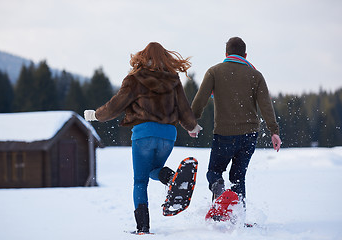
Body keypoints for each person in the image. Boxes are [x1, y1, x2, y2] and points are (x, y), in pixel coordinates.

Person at [84, 42, 202, 234]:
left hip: (144, 133)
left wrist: (95, 115)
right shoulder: (173, 78)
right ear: (166, 57)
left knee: (140, 180)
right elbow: (183, 106)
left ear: (142, 56)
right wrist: (192, 126)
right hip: (168, 135)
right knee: (153, 170)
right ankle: (171, 177)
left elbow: (115, 106)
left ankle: (143, 228)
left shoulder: (135, 78)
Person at [191, 37, 281, 208]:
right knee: (238, 177)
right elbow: (266, 105)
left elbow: (200, 99)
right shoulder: (255, 75)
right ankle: (238, 217)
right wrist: (273, 131)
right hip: (249, 135)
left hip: (224, 133)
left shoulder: (214, 72)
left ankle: (219, 194)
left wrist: (192, 122)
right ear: (245, 55)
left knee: (214, 172)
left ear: (226, 54)